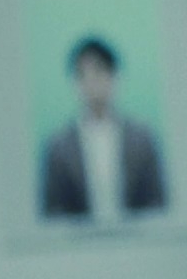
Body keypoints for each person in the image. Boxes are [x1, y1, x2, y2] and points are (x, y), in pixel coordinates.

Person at [40, 37, 166, 221]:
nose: (91, 82)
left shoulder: (142, 139)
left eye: (98, 71)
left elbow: (156, 204)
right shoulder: (58, 147)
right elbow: (54, 212)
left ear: (114, 76)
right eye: (82, 74)